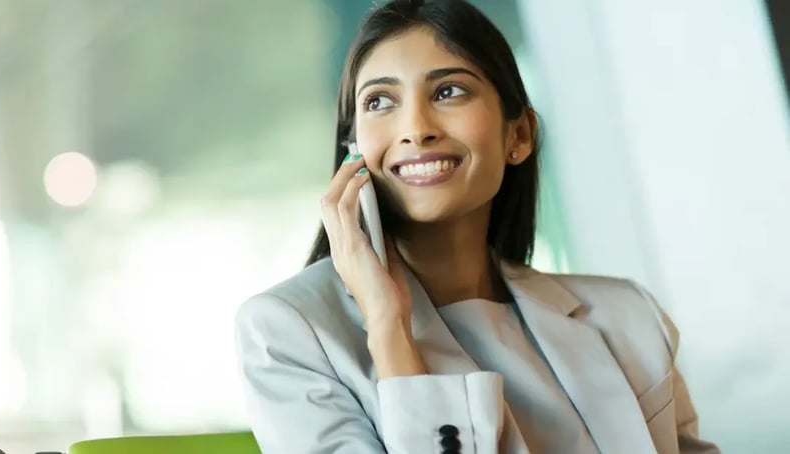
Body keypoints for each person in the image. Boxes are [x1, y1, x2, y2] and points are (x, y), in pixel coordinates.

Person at [234, 0, 720, 452]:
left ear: (519, 134)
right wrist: (387, 327)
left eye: (448, 91)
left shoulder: (630, 318)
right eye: (380, 101)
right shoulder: (288, 332)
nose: (416, 128)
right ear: (353, 148)